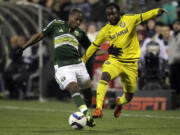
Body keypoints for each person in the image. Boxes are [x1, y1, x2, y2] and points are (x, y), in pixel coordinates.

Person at [82, 3, 168, 118]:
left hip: (131, 64)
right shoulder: (105, 30)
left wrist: (157, 11)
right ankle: (98, 108)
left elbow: (144, 15)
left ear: (119, 13)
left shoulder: (129, 19)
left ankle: (120, 103)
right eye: (108, 14)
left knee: (129, 95)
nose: (111, 16)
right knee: (105, 76)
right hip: (115, 61)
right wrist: (84, 59)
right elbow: (93, 47)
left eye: (113, 13)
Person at [14, 8, 95, 127]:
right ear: (70, 17)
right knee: (73, 87)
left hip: (78, 65)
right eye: (76, 19)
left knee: (88, 93)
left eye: (80, 20)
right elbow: (39, 36)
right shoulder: (56, 24)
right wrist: (23, 48)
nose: (78, 22)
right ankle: (86, 113)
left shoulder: (80, 33)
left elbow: (92, 49)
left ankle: (84, 114)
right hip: (63, 67)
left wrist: (109, 51)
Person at [168, 19, 180, 107]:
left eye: (178, 24)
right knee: (174, 83)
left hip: (179, 62)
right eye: (175, 24)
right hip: (173, 63)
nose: (176, 26)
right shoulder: (171, 36)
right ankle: (176, 103)